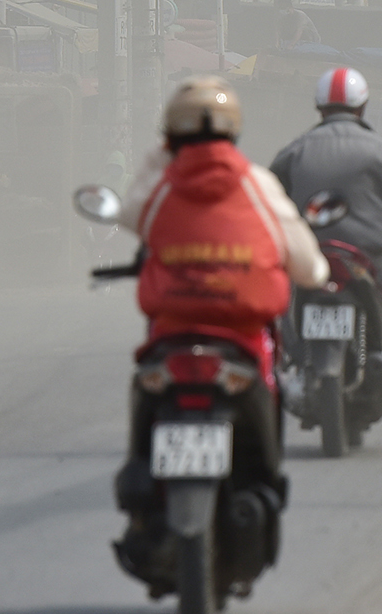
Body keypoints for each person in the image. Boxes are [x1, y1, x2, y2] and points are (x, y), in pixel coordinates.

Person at [115, 77, 328, 488]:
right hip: (243, 337)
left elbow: (128, 215)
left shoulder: (162, 187)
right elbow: (306, 264)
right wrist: (316, 275)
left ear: (170, 135)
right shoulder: (258, 184)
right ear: (235, 130)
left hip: (172, 334)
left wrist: (161, 156)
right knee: (271, 388)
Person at [268, 66, 382, 396]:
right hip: (367, 255)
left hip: (309, 252)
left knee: (278, 294)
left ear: (320, 108)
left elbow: (270, 195)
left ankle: (288, 360)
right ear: (362, 107)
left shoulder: (295, 150)